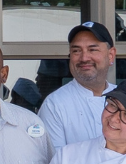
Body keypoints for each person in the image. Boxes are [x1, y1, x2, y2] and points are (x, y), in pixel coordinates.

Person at [40, 21, 117, 150]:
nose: (84, 58)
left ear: (111, 55)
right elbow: (58, 162)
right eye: (76, 51)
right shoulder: (55, 105)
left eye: (92, 49)